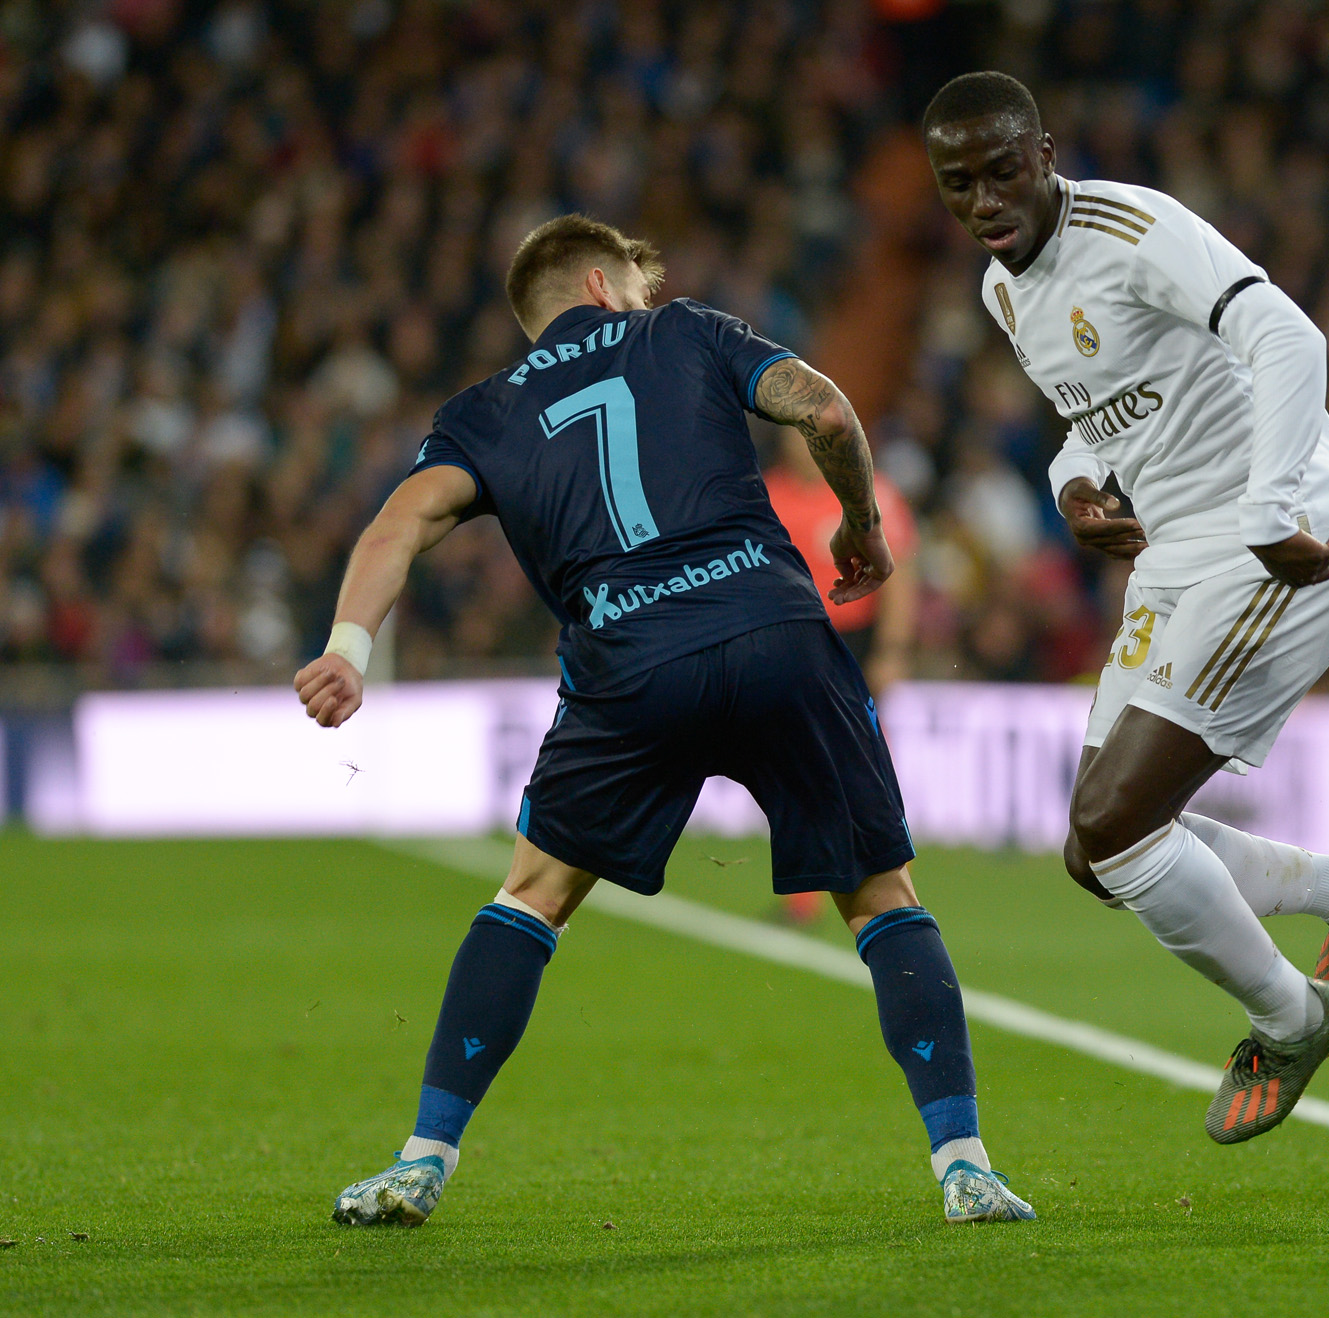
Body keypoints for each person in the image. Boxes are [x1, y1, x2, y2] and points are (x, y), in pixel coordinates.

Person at [292, 214, 1033, 1226]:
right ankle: (966, 1168)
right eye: (636, 287)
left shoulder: (483, 413)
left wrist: (348, 648)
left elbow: (398, 523)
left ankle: (421, 1160)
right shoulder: (684, 332)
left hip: (628, 664)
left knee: (531, 896)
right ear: (603, 285)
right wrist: (861, 529)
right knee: (883, 898)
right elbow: (823, 411)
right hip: (773, 631)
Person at [923, 73, 1329, 1145]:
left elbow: (1292, 342)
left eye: (1002, 171)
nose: (984, 201)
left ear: (1046, 153)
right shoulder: (1003, 291)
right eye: (958, 185)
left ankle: (1294, 1019)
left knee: (1116, 827)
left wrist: (1270, 508)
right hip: (1177, 559)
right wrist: (1072, 486)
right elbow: (1096, 422)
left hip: (1282, 547)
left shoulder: (1135, 229)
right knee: (1095, 854)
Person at [764, 426, 920, 923]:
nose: (798, 447)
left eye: (805, 437)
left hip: (856, 640)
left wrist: (893, 648)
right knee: (795, 760)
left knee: (862, 759)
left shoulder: (867, 492)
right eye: (790, 438)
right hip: (793, 641)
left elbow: (901, 571)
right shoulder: (766, 491)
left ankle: (885, 861)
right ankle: (807, 890)